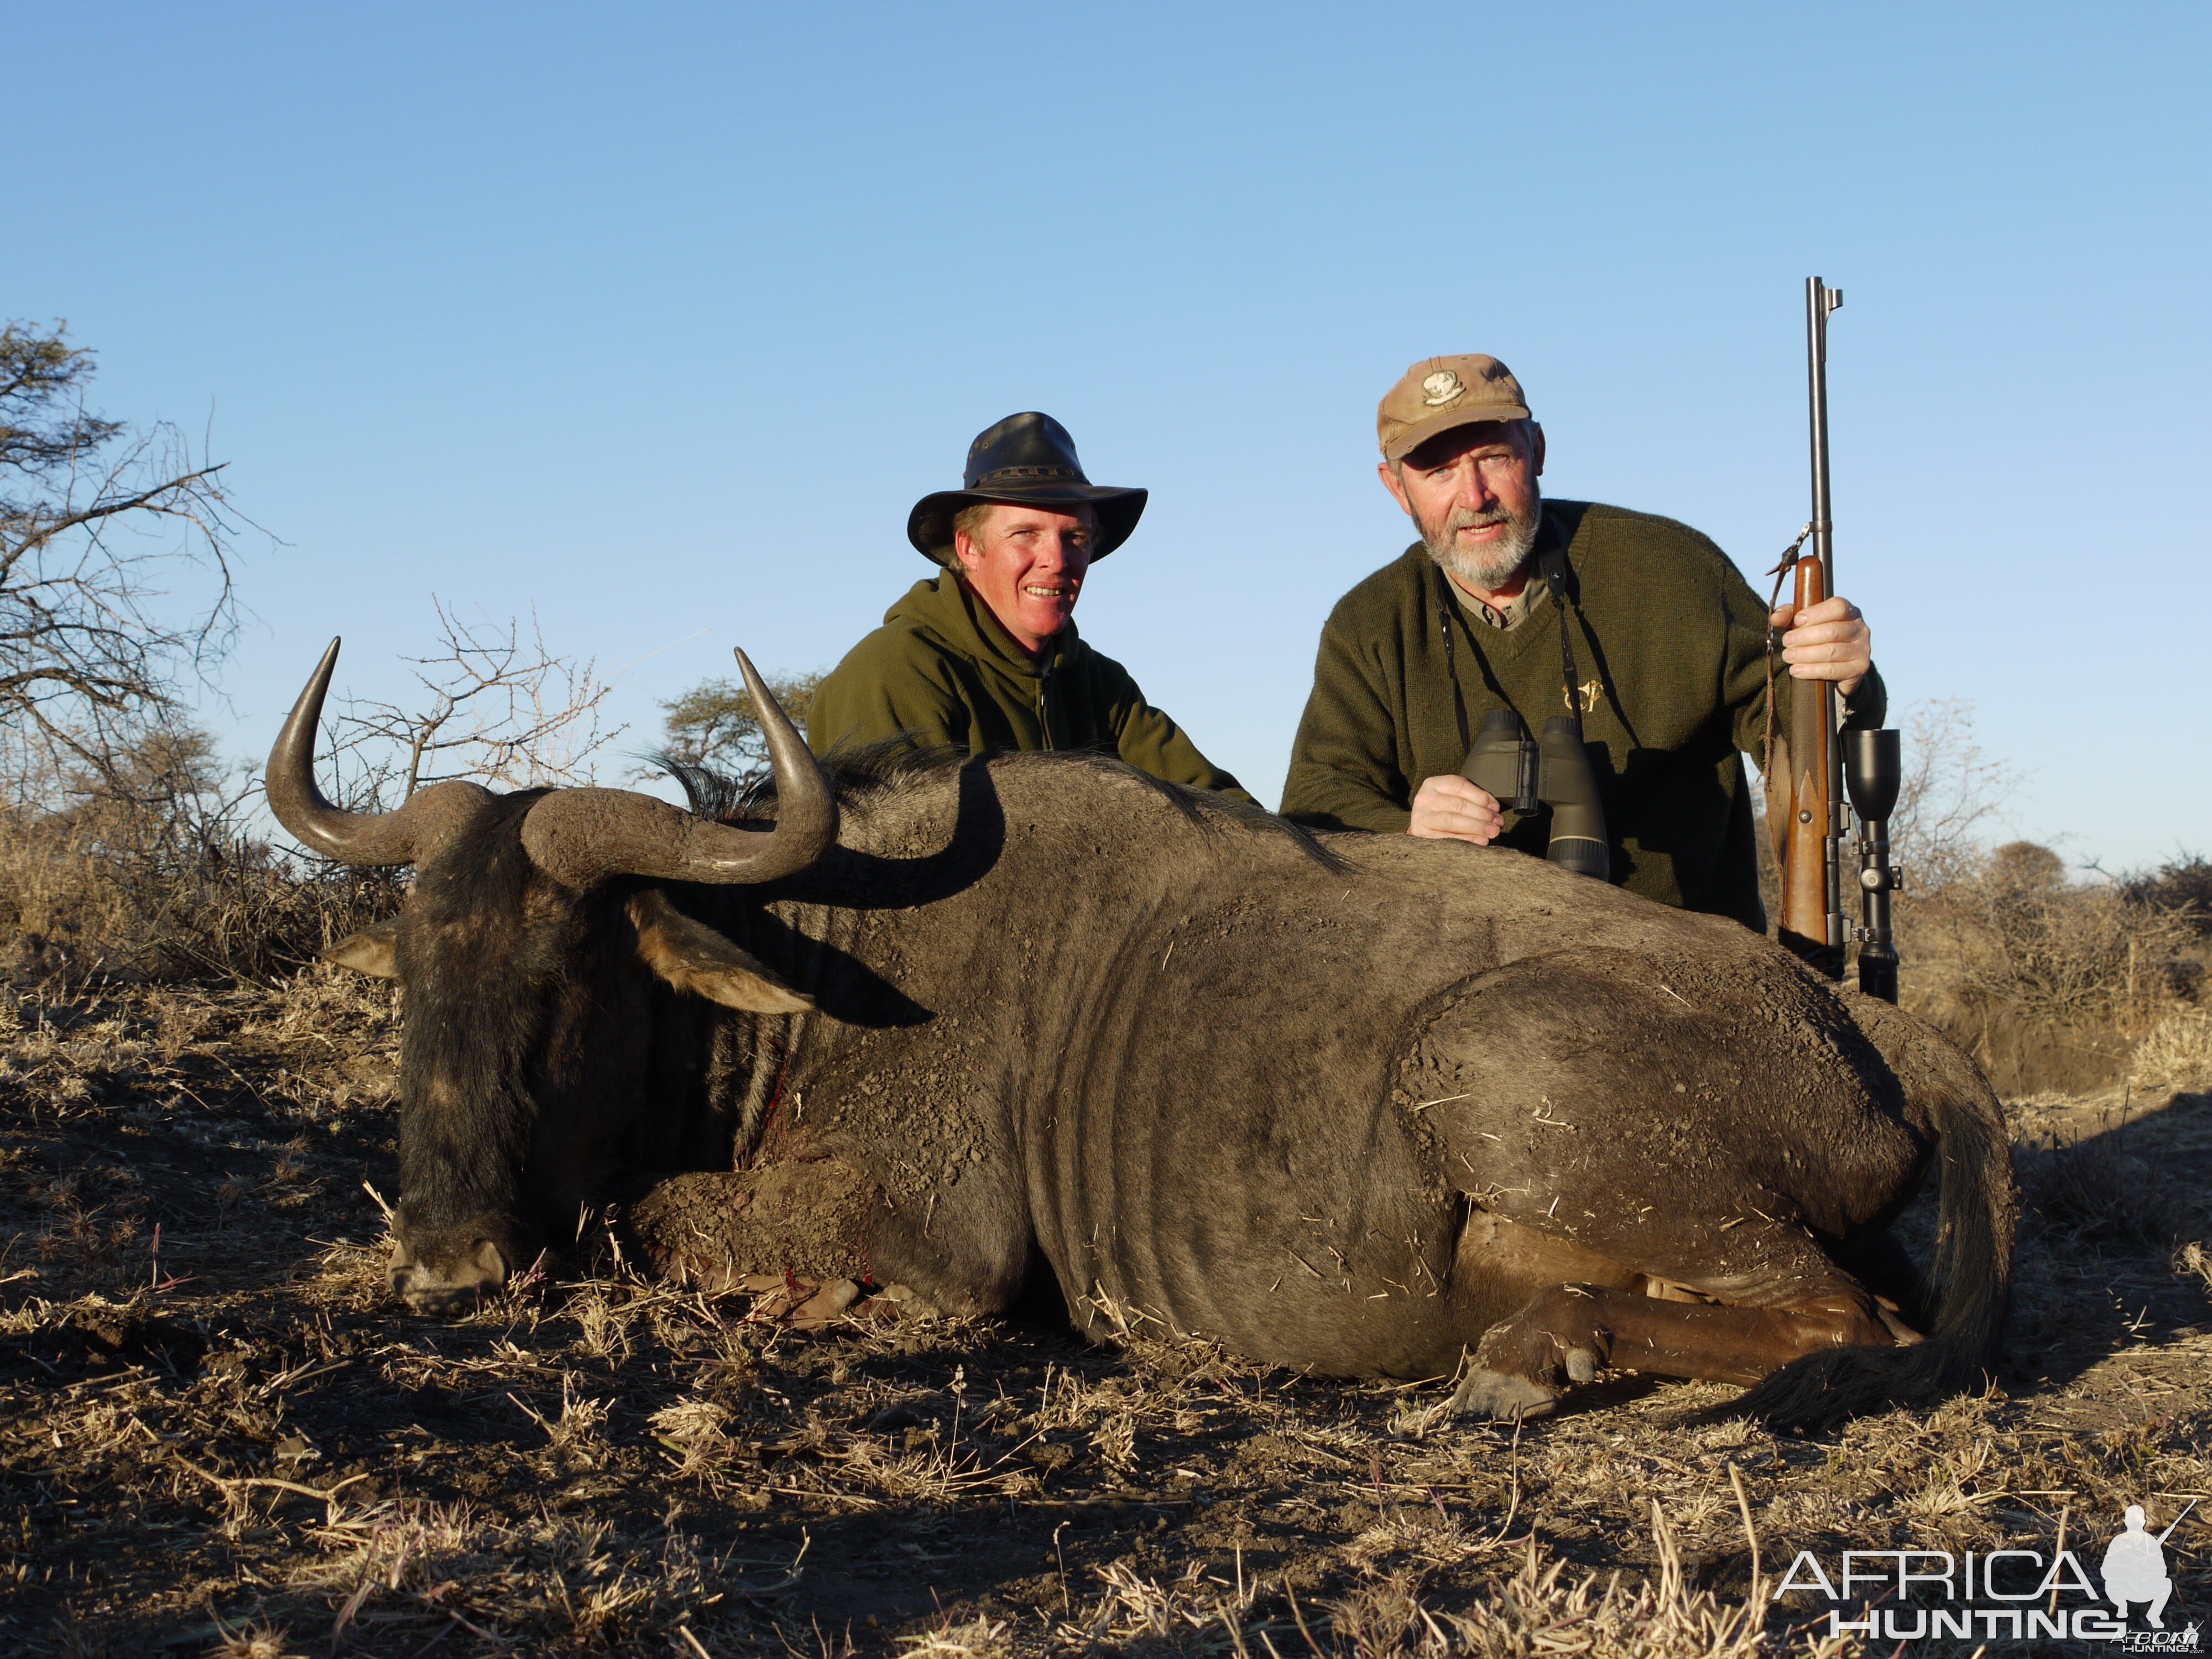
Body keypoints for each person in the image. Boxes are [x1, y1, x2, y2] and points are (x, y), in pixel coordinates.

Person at [1280, 354, 1882, 931]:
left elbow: (1789, 727)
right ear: (1395, 488)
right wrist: (1405, 831)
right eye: (1437, 471)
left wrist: (1845, 680)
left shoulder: (1670, 566)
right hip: (1466, 976)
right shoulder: (1369, 624)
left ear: (1536, 451)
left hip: (1687, 968)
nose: (1473, 497)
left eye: (1493, 457)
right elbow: (1315, 804)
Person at [807, 411, 1251, 801]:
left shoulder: (1102, 685)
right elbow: (906, 865)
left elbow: (1221, 810)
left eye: (1074, 538)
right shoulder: (896, 671)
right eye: (1025, 534)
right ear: (968, 547)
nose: (1057, 562)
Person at [2101, 1506, 2175, 1627]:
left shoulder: (2150, 1542)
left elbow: (2162, 1571)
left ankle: (2153, 1615)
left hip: (2144, 1588)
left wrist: (2146, 1571)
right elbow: (2107, 1570)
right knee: (2111, 1583)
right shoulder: (2119, 1541)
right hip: (2123, 1588)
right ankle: (2122, 1607)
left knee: (2166, 1584)